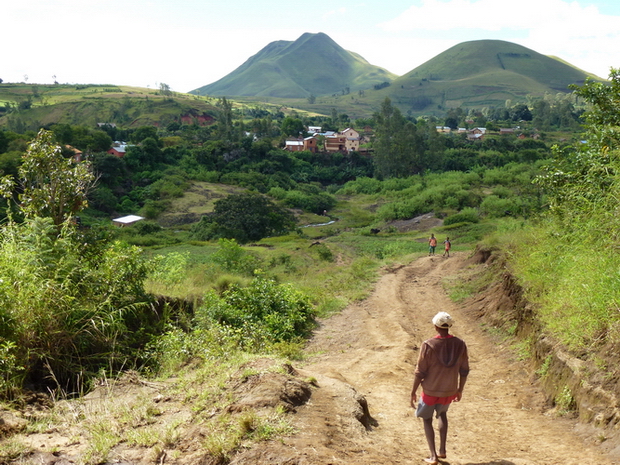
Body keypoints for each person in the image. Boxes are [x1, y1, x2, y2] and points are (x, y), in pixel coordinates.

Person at [410, 312, 469, 464]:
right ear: (449, 326)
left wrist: (413, 392)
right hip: (449, 391)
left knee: (427, 419)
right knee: (442, 415)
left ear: (435, 326)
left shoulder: (428, 345)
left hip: (430, 391)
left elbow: (420, 371)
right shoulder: (460, 344)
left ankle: (433, 456)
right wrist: (459, 389)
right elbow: (464, 370)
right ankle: (442, 450)